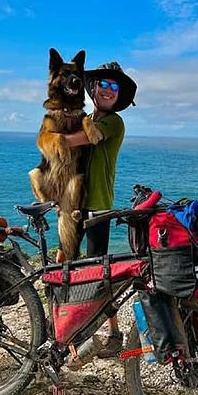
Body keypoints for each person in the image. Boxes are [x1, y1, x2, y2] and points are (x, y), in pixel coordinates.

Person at [62, 61, 137, 358]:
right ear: (93, 88)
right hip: (75, 203)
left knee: (98, 270)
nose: (107, 90)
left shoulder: (112, 123)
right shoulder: (87, 117)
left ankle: (111, 330)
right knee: (64, 263)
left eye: (114, 87)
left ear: (120, 96)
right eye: (102, 84)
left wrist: (50, 137)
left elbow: (77, 139)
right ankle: (64, 323)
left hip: (97, 207)